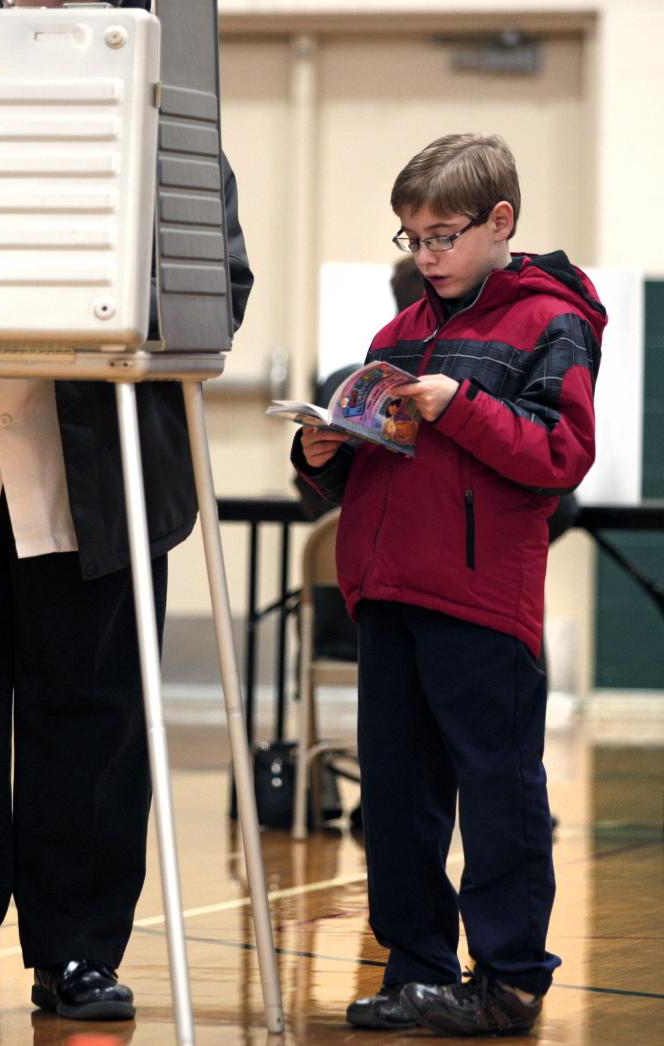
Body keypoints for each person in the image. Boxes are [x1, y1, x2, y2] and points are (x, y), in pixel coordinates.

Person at [0, 0, 253, 1024]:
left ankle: (77, 952)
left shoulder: (170, 119)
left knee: (96, 727)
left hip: (100, 484)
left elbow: (223, 285)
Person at [292, 133, 605, 1036]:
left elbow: (560, 455)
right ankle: (416, 966)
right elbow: (375, 463)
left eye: (441, 236)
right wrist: (324, 452)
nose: (426, 256)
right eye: (411, 239)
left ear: (500, 222)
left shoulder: (552, 322)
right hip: (387, 590)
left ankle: (507, 979)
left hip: (481, 600)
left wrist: (456, 404)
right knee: (395, 794)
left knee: (498, 791)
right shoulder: (399, 331)